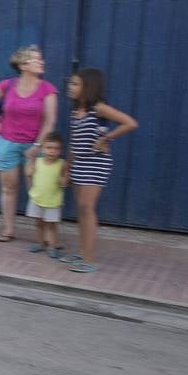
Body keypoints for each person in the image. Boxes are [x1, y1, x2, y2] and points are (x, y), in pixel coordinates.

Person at [0, 45, 58, 242]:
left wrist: (37, 146)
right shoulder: (7, 85)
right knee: (8, 188)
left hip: (35, 146)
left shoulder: (48, 89)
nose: (42, 62)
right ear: (23, 65)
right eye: (37, 59)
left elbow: (50, 121)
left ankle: (45, 234)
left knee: (39, 189)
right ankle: (8, 229)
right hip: (6, 144)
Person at [62, 68, 138, 274]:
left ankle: (89, 258)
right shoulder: (75, 112)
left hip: (96, 163)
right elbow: (73, 142)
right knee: (81, 210)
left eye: (75, 84)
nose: (70, 87)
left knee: (87, 208)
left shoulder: (99, 109)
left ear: (88, 87)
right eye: (71, 84)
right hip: (79, 163)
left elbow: (130, 123)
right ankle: (82, 250)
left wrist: (106, 138)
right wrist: (67, 168)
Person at [24, 131, 67, 257]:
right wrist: (31, 159)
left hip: (53, 201)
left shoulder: (62, 164)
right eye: (49, 148)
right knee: (38, 224)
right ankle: (40, 243)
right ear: (42, 148)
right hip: (36, 199)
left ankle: (52, 246)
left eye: (56, 148)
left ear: (60, 150)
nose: (52, 151)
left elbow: (66, 180)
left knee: (51, 225)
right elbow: (28, 173)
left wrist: (63, 180)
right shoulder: (38, 162)